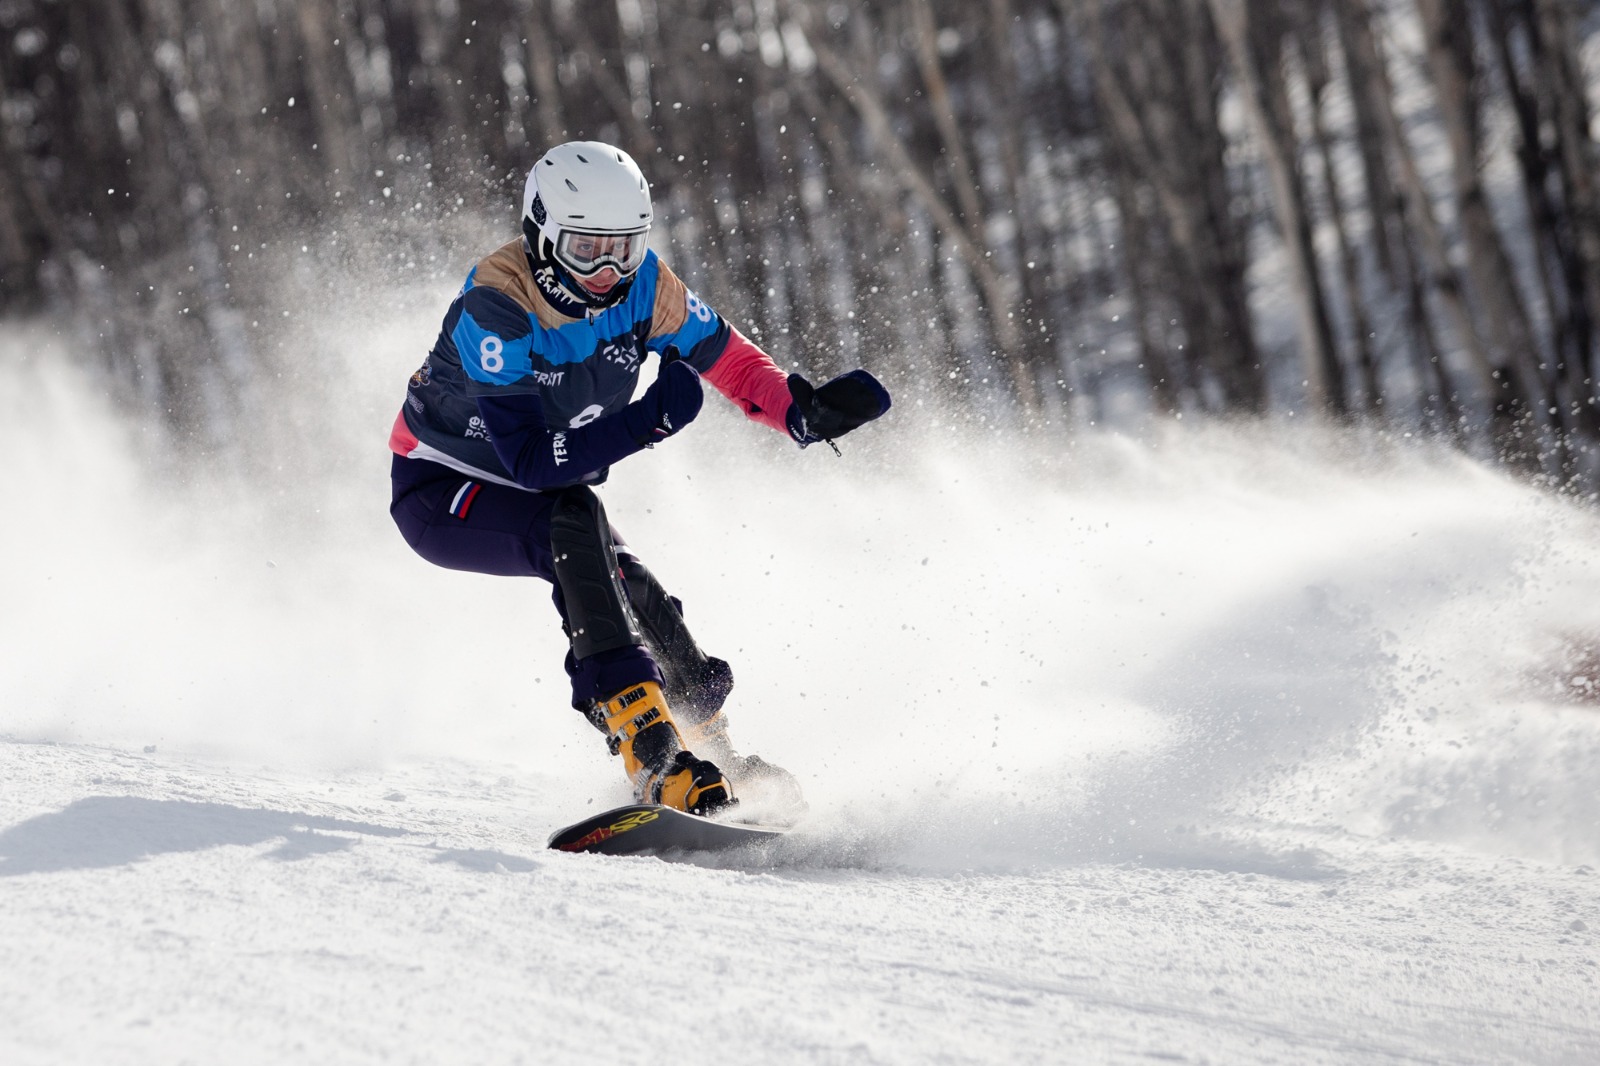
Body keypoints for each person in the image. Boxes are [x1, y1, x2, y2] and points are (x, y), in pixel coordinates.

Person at [387, 141, 890, 818]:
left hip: (544, 488)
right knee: (568, 521)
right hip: (441, 485)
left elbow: (732, 363)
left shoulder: (646, 287)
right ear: (541, 234)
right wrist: (647, 423)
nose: (605, 271)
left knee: (629, 583)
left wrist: (799, 415)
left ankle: (712, 747)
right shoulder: (497, 307)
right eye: (585, 249)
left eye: (622, 248)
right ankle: (650, 753)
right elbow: (531, 461)